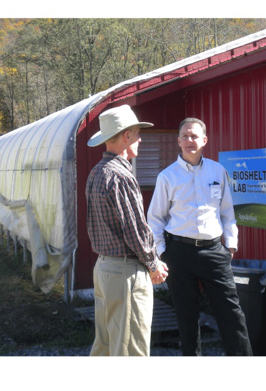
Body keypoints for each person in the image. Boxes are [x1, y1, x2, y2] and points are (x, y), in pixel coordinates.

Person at [147, 117, 252, 356]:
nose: (189, 141)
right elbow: (155, 220)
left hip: (214, 252)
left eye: (194, 136)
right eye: (184, 136)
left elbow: (227, 212)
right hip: (179, 253)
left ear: (204, 140)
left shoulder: (218, 171)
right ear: (178, 141)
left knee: (232, 314)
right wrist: (163, 253)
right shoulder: (167, 177)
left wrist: (231, 247)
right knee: (186, 318)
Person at [86, 104, 168, 356]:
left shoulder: (97, 172)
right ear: (125, 136)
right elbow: (135, 230)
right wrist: (153, 264)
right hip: (125, 273)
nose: (141, 139)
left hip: (104, 268)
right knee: (130, 352)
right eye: (137, 133)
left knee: (106, 345)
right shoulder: (120, 175)